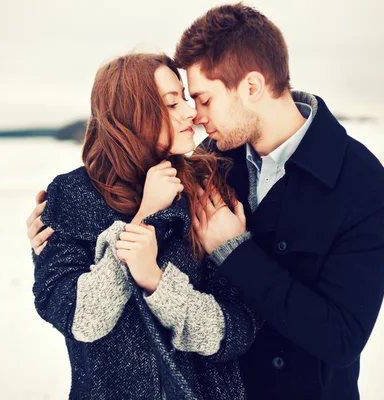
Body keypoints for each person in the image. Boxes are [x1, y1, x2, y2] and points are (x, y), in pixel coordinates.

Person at [29, 4, 384, 399]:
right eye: (181, 101)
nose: (195, 114)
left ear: (251, 88)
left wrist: (230, 253)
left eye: (201, 99)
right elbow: (81, 309)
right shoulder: (215, 165)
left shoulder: (362, 185)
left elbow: (335, 338)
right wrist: (68, 222)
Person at [30, 52, 258, 400]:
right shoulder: (71, 196)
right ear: (131, 117)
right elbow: (82, 319)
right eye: (171, 103)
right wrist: (142, 219)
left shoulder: (207, 187)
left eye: (184, 98)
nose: (190, 112)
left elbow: (237, 331)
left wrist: (158, 284)